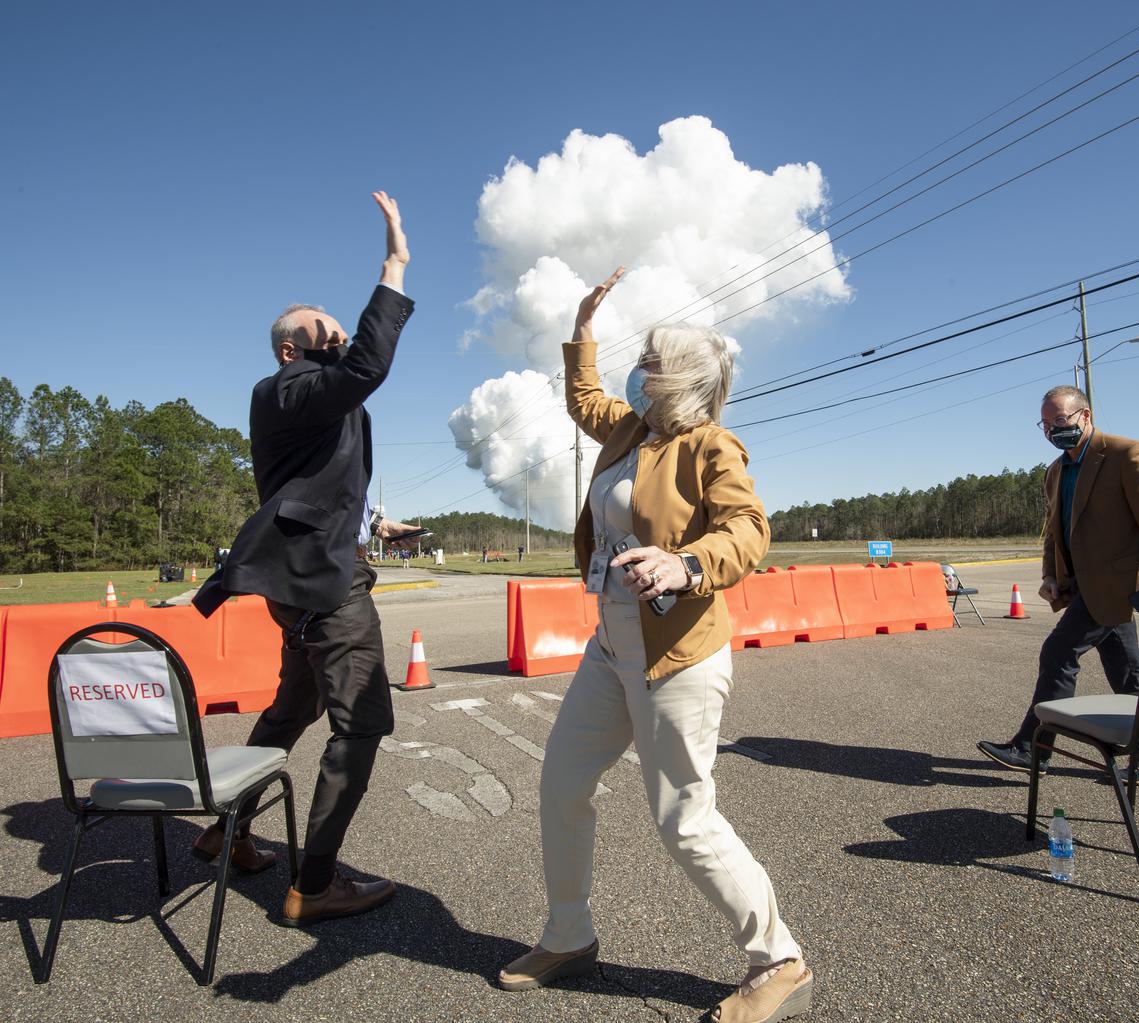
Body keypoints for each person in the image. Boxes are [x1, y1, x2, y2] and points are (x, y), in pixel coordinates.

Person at [499, 268, 812, 1023]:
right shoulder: (629, 430)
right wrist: (582, 329)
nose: (638, 369)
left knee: (684, 817)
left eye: (651, 358)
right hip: (609, 649)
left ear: (681, 381)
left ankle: (780, 958)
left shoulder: (710, 445)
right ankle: (569, 935)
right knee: (563, 782)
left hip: (678, 658)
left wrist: (687, 561)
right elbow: (584, 398)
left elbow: (749, 531)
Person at [191, 191, 423, 925]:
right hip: (326, 587)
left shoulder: (316, 402)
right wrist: (394, 265)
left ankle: (228, 832)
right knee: (361, 721)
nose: (337, 334)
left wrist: (375, 520)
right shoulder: (285, 387)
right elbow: (363, 366)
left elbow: (327, 480)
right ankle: (315, 882)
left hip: (305, 578)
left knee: (295, 704)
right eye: (323, 328)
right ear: (291, 347)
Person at [978, 385, 1139, 784]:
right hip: (1086, 586)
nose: (1053, 429)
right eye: (1045, 423)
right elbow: (1054, 532)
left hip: (1119, 583)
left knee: (1058, 653)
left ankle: (1032, 748)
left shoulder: (1128, 455)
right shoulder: (1057, 471)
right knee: (1126, 671)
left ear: (1085, 416)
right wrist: (1051, 576)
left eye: (1060, 420)